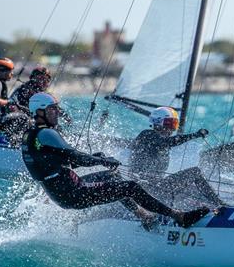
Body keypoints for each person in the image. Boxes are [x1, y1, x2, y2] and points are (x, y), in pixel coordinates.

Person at [21, 93, 209, 228]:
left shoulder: (30, 136)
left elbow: (65, 161)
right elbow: (76, 156)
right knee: (130, 187)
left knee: (112, 175)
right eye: (53, 109)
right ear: (40, 111)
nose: (58, 113)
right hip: (73, 192)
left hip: (63, 192)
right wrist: (100, 160)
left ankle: (142, 215)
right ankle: (179, 216)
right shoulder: (46, 133)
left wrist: (98, 158)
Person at [129, 107, 208, 177]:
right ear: (157, 123)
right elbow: (170, 141)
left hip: (156, 182)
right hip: (140, 180)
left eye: (174, 125)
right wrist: (194, 135)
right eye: (169, 124)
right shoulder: (148, 134)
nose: (171, 129)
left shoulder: (161, 140)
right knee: (194, 173)